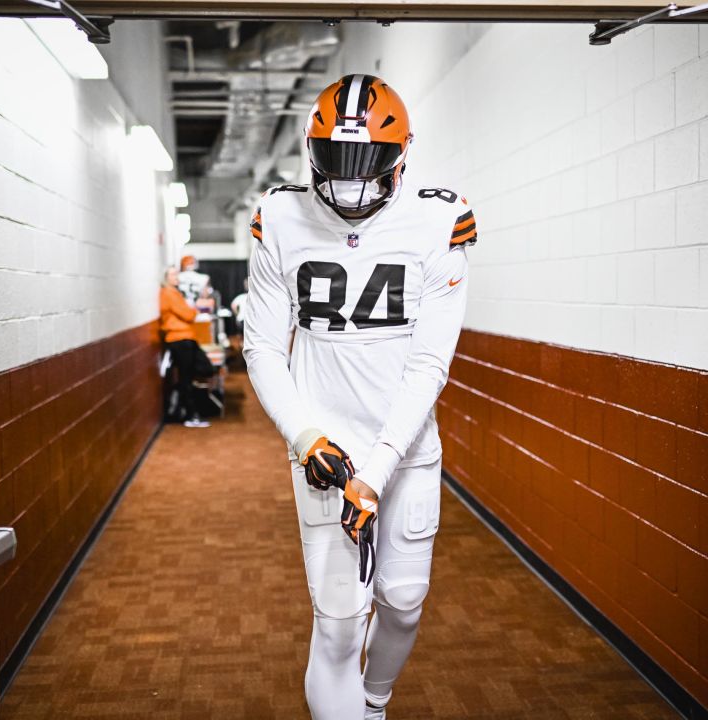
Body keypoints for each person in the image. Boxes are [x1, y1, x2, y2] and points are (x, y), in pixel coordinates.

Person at [243, 74, 477, 720]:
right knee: (341, 622)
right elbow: (261, 348)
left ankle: (373, 704)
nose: (349, 180)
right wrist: (305, 437)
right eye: (336, 161)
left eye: (365, 161)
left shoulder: (439, 219)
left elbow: (429, 362)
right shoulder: (281, 218)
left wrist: (376, 473)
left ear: (401, 155)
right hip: (326, 456)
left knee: (403, 603)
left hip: (404, 451)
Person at [161, 266, 215, 428]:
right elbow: (188, 314)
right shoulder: (169, 294)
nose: (176, 277)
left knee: (195, 373)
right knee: (187, 377)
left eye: (177, 274)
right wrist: (194, 309)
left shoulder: (174, 293)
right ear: (166, 277)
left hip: (185, 338)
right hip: (179, 339)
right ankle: (190, 414)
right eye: (173, 274)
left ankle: (189, 412)